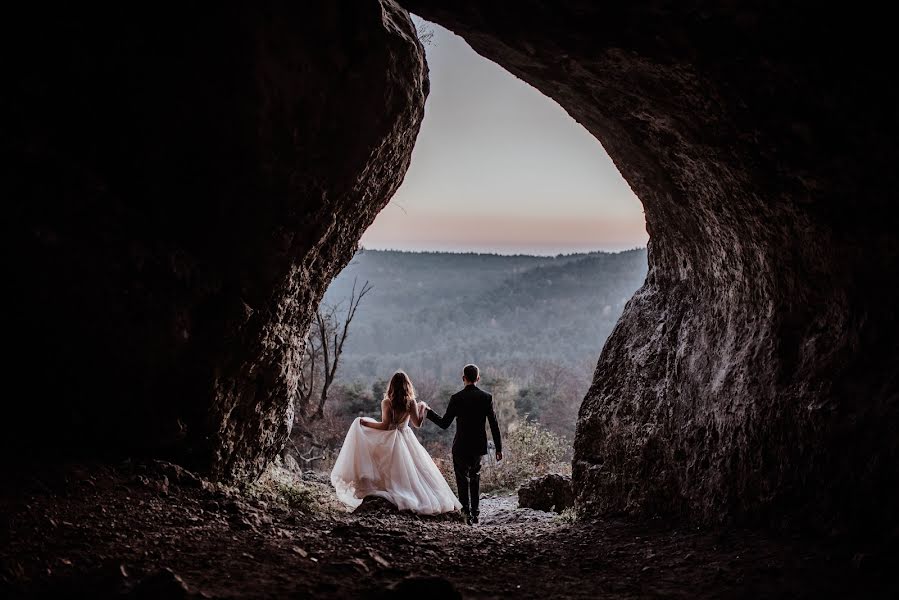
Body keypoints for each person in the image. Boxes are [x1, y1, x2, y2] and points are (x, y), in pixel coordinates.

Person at [330, 370, 461, 514]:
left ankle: (391, 492)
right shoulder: (411, 402)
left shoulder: (387, 402)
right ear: (407, 385)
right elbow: (417, 424)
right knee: (414, 470)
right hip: (406, 437)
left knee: (389, 468)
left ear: (391, 385)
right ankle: (414, 494)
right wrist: (422, 408)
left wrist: (365, 423)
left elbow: (384, 426)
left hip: (391, 439)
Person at [426, 364, 502, 525]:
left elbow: (444, 423)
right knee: (475, 478)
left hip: (460, 446)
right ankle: (476, 514)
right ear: (478, 379)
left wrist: (428, 413)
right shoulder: (486, 397)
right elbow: (494, 424)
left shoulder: (456, 398)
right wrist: (498, 448)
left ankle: (465, 513)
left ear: (463, 378)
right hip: (478, 446)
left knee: (462, 480)